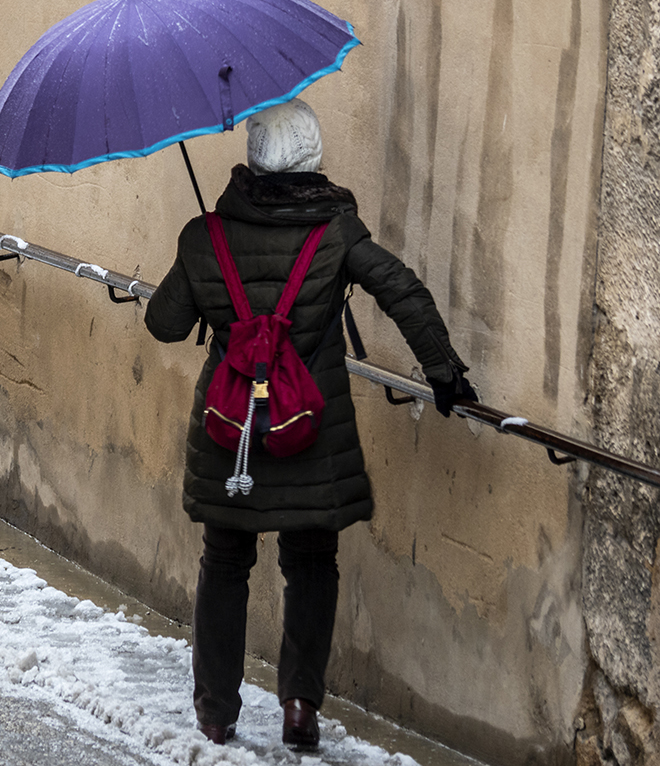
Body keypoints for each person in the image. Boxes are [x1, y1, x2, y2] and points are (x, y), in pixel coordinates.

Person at [143, 98, 475, 750]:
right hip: (309, 430)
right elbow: (402, 289)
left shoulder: (204, 235)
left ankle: (215, 713)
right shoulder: (337, 233)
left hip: (230, 435)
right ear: (312, 159)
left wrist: (207, 266)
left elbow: (165, 323)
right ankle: (298, 707)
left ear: (252, 159)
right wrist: (444, 375)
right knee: (312, 563)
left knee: (225, 561)